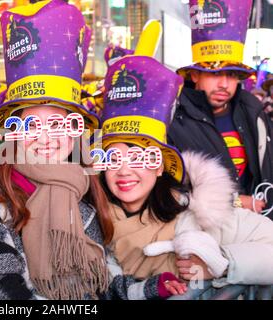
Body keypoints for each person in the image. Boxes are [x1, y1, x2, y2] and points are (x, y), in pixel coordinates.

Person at [0, 0, 186, 300]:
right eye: (32, 125)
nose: (47, 137)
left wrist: (153, 287)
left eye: (58, 124)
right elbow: (2, 290)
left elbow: (103, 281)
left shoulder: (84, 191)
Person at [100, 55, 273, 287]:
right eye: (113, 158)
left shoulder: (200, 213)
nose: (124, 170)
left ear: (160, 166)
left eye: (139, 158)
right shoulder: (89, 223)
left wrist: (220, 262)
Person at [168, 0, 273, 216]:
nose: (224, 84)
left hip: (259, 227)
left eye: (231, 74)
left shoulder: (252, 109)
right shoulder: (172, 118)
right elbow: (167, 190)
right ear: (195, 75)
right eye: (215, 73)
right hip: (204, 233)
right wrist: (233, 202)